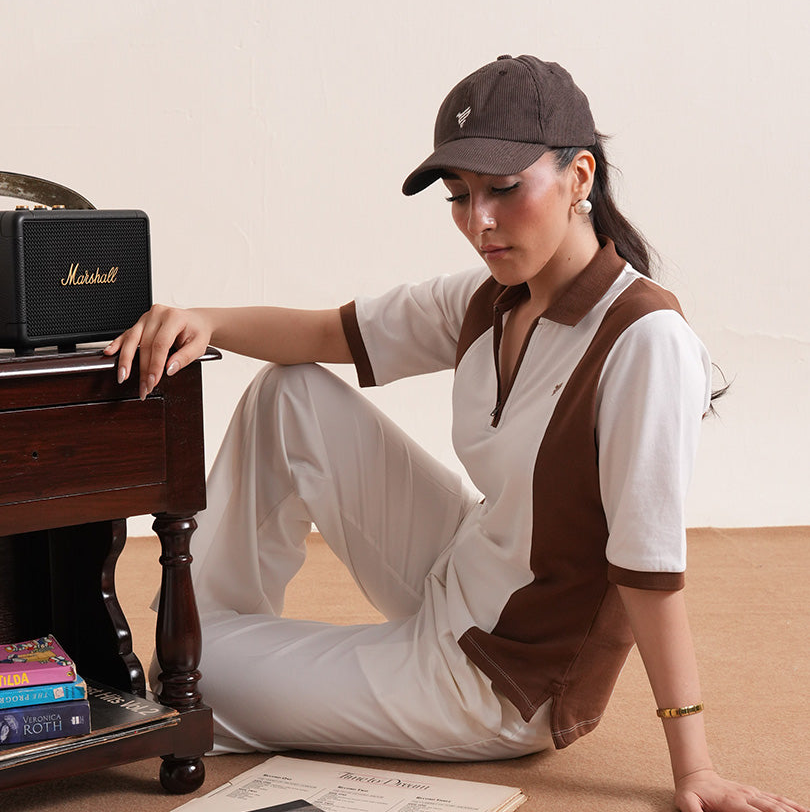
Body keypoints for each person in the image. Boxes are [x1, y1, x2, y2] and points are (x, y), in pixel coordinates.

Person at [106, 55, 807, 812]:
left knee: (196, 689)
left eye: (503, 189)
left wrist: (694, 767)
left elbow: (648, 567)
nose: (479, 221)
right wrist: (202, 318)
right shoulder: (495, 297)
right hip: (458, 566)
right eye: (460, 195)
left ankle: (201, 662)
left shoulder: (644, 340)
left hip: (496, 674)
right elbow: (324, 333)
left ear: (580, 177)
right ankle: (201, 629)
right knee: (290, 394)